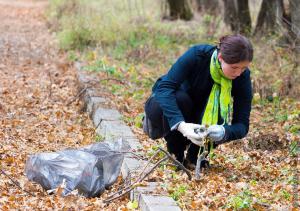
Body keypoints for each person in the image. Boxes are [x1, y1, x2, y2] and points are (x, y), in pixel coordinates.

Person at [143, 34, 253, 169]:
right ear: (220, 58)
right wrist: (181, 125)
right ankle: (175, 154)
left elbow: (242, 124)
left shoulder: (242, 77)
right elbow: (164, 88)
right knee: (181, 99)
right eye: (234, 67)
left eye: (243, 68)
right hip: (173, 110)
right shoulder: (197, 55)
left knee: (218, 113)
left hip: (201, 117)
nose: (238, 73)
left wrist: (223, 132)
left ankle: (194, 157)